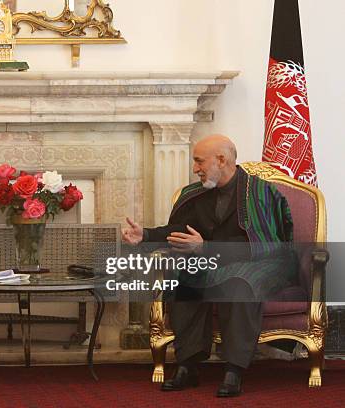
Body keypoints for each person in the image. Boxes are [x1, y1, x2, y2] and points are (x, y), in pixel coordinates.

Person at [122, 134, 296, 398]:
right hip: (213, 261)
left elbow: (265, 245)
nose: (195, 169)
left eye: (199, 161)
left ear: (222, 160)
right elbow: (180, 231)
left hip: (259, 262)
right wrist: (145, 235)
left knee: (238, 284)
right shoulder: (195, 194)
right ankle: (187, 365)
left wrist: (207, 248)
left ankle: (234, 370)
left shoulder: (261, 193)